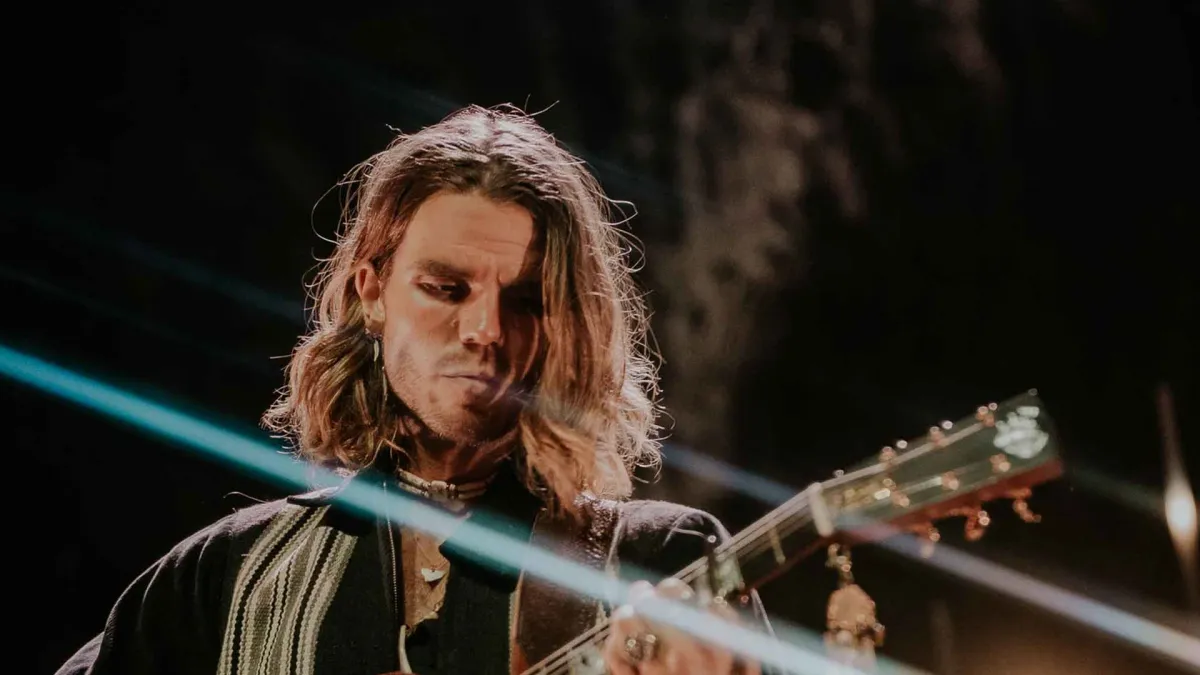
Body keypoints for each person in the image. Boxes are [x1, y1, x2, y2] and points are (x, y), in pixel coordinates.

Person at [57, 105, 771, 675]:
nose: (486, 329)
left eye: (527, 300)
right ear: (372, 293)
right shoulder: (225, 577)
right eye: (445, 288)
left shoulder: (660, 561)